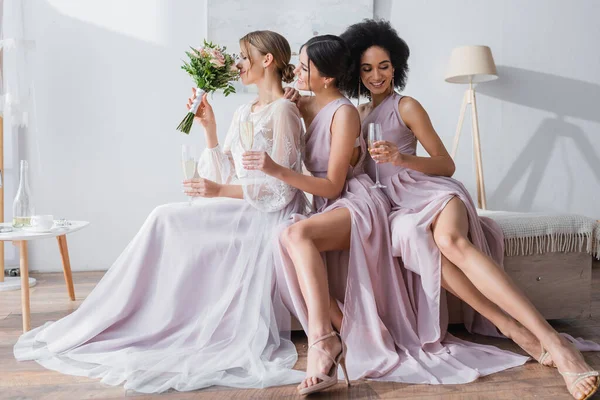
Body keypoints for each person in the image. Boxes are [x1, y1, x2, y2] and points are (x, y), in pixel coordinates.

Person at [14, 30, 309, 393]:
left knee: (166, 217)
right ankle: (140, 313)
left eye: (245, 57)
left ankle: (151, 315)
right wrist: (210, 130)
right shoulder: (245, 112)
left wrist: (219, 191)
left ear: (268, 60)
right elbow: (223, 171)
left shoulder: (285, 111)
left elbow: (282, 187)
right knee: (165, 217)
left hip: (263, 213)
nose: (239, 64)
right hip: (237, 203)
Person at [341, 19, 599, 400]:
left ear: (396, 65)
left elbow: (446, 164)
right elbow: (353, 168)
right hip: (395, 205)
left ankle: (555, 343)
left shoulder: (407, 106)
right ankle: (516, 332)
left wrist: (401, 158)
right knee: (417, 245)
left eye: (383, 65)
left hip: (431, 190)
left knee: (449, 240)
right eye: (366, 68)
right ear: (355, 73)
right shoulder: (358, 115)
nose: (376, 75)